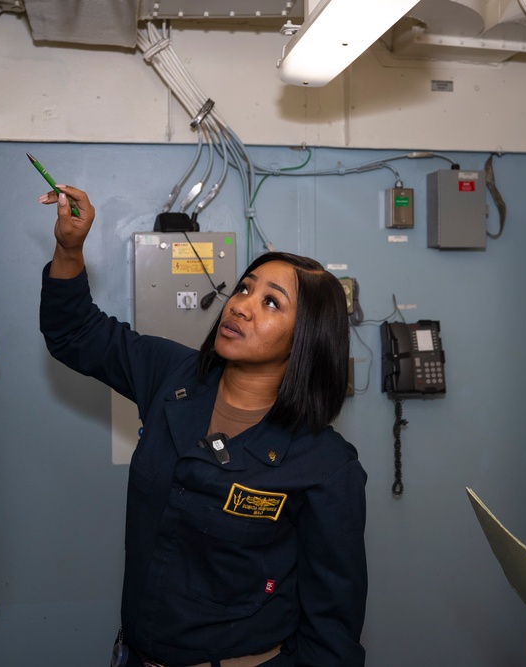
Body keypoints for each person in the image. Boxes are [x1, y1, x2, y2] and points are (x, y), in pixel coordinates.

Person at [37, 185, 367, 666]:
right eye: (245, 288)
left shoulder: (324, 465)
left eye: (271, 303)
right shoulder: (174, 377)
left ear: (307, 341)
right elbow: (76, 333)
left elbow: (331, 635)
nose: (241, 305)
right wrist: (70, 247)